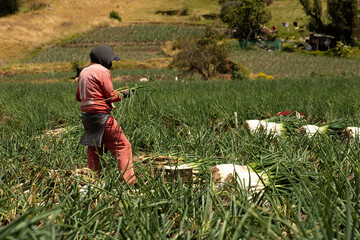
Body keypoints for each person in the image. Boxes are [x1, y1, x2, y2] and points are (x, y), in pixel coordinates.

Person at [76, 45, 135, 184]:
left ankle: (93, 180)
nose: (111, 63)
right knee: (122, 145)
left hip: (87, 117)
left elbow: (79, 97)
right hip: (101, 116)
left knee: (94, 147)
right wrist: (125, 94)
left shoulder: (83, 72)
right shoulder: (102, 71)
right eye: (110, 60)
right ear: (104, 59)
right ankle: (128, 182)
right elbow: (111, 96)